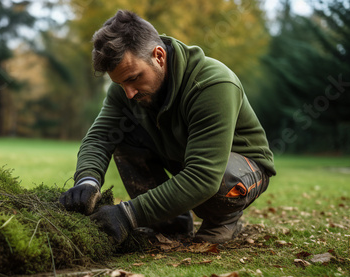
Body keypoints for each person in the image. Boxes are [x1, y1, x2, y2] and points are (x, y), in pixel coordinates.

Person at [59, 10, 276, 245]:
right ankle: (171, 224)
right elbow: (100, 137)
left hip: (242, 170)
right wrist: (87, 181)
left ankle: (224, 219)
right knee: (123, 137)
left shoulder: (212, 84)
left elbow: (203, 176)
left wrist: (128, 215)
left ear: (159, 55)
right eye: (120, 83)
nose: (128, 93)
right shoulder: (126, 89)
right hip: (188, 159)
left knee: (221, 180)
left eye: (133, 78)